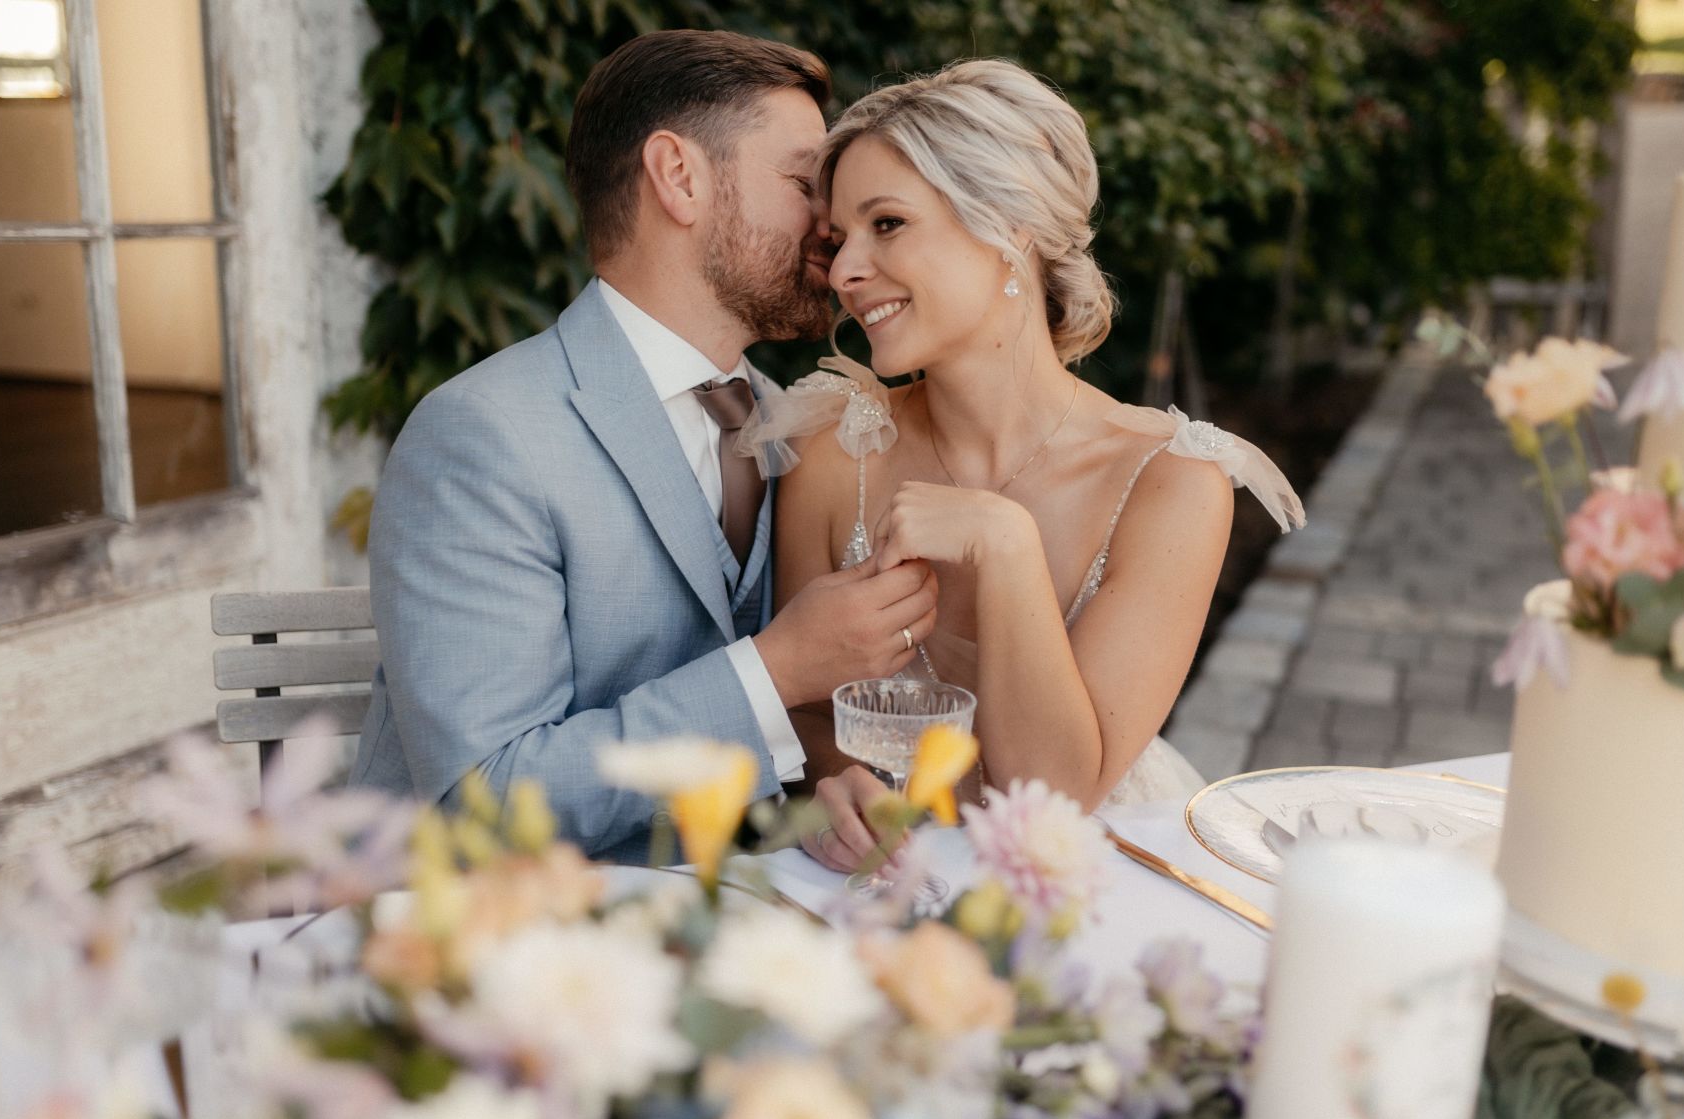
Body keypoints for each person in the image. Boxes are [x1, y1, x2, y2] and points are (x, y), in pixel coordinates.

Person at [350, 30, 939, 862]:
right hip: (491, 922)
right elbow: (484, 801)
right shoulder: (481, 436)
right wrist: (776, 671)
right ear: (679, 176)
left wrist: (811, 796)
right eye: (805, 183)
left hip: (728, 907)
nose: (834, 227)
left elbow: (756, 758)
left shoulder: (797, 427)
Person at [756, 60, 1305, 872]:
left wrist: (1007, 545)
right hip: (878, 885)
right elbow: (806, 713)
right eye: (839, 241)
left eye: (888, 224)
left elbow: (1053, 795)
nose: (842, 272)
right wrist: (835, 789)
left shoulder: (1171, 485)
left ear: (1011, 225)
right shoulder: (834, 451)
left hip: (1092, 878)